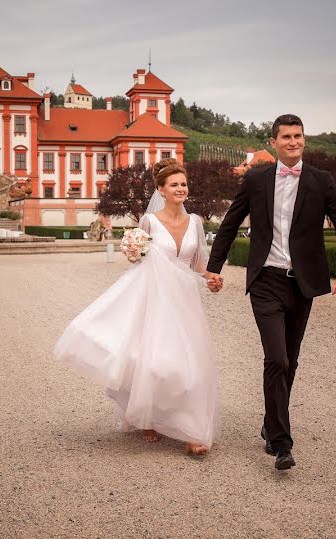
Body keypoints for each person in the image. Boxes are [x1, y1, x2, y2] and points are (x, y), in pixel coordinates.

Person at [204, 114, 336, 471]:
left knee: (291, 358)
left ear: (304, 140)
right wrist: (215, 267)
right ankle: (281, 443)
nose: (293, 142)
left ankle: (271, 419)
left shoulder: (322, 181)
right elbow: (230, 223)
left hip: (302, 283)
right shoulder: (256, 178)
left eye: (298, 136)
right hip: (265, 281)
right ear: (273, 142)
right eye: (286, 136)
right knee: (277, 358)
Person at [54, 159, 220, 456]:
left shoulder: (195, 221)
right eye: (174, 185)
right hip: (155, 299)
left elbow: (198, 264)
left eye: (183, 184)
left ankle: (192, 429)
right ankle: (148, 416)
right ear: (161, 189)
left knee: (191, 362)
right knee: (154, 360)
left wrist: (211, 277)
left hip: (185, 300)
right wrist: (132, 252)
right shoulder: (149, 222)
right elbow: (140, 262)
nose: (181, 188)